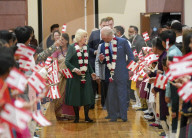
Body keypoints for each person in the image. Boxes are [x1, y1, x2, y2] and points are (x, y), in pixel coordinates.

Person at [99, 26, 134, 122]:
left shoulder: (122, 42)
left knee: (122, 96)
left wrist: (131, 70)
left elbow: (131, 57)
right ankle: (113, 116)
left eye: (102, 35)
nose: (101, 38)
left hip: (122, 73)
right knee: (111, 96)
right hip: (110, 74)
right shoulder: (103, 45)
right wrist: (101, 60)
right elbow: (103, 61)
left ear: (108, 35)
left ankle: (123, 116)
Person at [65, 29, 96, 123]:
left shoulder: (86, 47)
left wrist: (92, 72)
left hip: (85, 75)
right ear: (79, 38)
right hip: (75, 76)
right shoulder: (71, 47)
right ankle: (77, 117)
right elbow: (67, 61)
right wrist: (74, 69)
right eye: (84, 36)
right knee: (76, 96)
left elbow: (88, 63)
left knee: (86, 96)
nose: (86, 38)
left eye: (86, 36)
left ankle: (86, 117)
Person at [160, 29, 182, 137]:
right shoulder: (175, 51)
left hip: (174, 88)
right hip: (175, 86)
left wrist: (168, 94)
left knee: (174, 114)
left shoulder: (172, 54)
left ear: (165, 41)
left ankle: (173, 135)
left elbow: (171, 77)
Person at [51, 33, 75, 120]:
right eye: (60, 39)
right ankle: (59, 114)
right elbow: (54, 63)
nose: (61, 41)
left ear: (67, 41)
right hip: (59, 75)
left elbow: (73, 62)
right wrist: (60, 71)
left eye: (62, 40)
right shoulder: (56, 51)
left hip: (69, 74)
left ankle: (69, 114)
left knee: (68, 94)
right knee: (59, 93)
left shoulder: (71, 50)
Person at [88, 17, 109, 109]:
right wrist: (94, 52)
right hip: (94, 62)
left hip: (105, 64)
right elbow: (88, 47)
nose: (105, 27)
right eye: (103, 25)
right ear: (100, 25)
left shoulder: (110, 34)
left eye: (107, 25)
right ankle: (91, 104)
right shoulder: (94, 34)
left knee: (104, 84)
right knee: (93, 84)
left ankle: (105, 104)